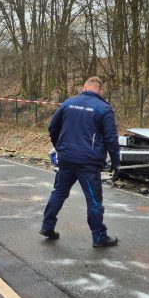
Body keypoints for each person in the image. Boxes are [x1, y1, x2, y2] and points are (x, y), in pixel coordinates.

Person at [40, 76, 120, 248]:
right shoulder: (104, 108)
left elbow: (52, 127)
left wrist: (59, 147)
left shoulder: (68, 103)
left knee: (59, 192)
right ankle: (99, 236)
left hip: (67, 159)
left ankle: (47, 226)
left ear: (85, 87)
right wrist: (116, 162)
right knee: (93, 199)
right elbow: (111, 138)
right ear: (100, 90)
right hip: (88, 163)